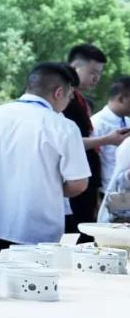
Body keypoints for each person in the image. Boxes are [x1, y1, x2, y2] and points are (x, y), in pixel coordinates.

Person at [0, 62, 90, 259]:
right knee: (31, 286)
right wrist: (49, 189)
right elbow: (79, 184)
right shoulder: (63, 127)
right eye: (69, 96)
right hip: (36, 228)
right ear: (59, 93)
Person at [63, 44, 130, 242]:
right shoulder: (66, 103)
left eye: (99, 73)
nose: (96, 78)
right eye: (93, 72)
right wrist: (107, 140)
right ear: (75, 67)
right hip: (80, 185)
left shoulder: (79, 100)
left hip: (91, 187)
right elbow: (67, 143)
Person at [90, 76, 130, 198]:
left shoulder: (128, 121)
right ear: (121, 98)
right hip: (107, 190)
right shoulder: (96, 123)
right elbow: (92, 162)